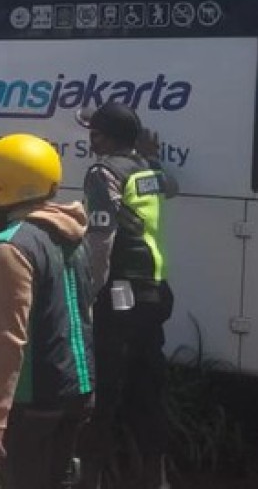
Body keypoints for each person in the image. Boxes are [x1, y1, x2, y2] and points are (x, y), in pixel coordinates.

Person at [0, 134, 94, 488]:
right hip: (79, 388)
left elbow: (8, 338)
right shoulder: (75, 236)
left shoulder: (12, 247)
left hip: (34, 399)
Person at [76, 102, 179, 489]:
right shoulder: (148, 171)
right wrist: (149, 157)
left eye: (94, 133)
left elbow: (101, 240)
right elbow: (173, 187)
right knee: (148, 387)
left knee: (104, 390)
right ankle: (155, 477)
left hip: (120, 293)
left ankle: (90, 478)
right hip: (154, 293)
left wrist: (90, 291)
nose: (90, 139)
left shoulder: (103, 173)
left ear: (104, 138)